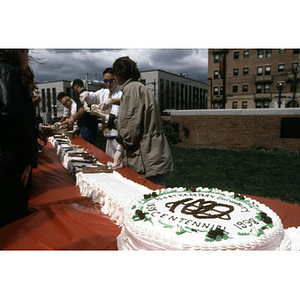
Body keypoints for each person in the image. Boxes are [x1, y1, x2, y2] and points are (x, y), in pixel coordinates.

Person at [112, 56, 173, 186]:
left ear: (118, 74)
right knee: (156, 193)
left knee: (149, 195)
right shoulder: (138, 87)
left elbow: (130, 129)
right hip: (153, 151)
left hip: (146, 155)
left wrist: (120, 144)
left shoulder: (131, 89)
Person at [0, 49, 38, 227]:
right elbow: (12, 115)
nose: (27, 57)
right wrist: (27, 159)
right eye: (25, 52)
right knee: (13, 219)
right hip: (10, 159)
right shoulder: (8, 72)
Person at [79, 67, 122, 157]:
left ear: (117, 79)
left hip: (119, 137)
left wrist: (113, 101)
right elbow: (93, 97)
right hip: (107, 135)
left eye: (111, 81)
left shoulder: (121, 91)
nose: (108, 84)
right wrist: (86, 95)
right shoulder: (104, 92)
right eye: (105, 81)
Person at [70, 79, 98, 144]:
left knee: (87, 146)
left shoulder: (81, 95)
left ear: (76, 86)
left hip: (86, 125)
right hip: (93, 124)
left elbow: (81, 110)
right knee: (92, 145)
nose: (74, 90)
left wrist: (73, 119)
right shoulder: (89, 94)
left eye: (74, 88)